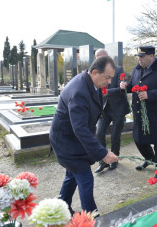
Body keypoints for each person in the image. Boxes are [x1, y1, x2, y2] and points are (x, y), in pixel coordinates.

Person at [49, 55, 118, 214]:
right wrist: (103, 154)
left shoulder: (91, 83)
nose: (109, 82)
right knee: (85, 178)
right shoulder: (80, 91)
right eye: (107, 77)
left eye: (111, 78)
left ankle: (62, 206)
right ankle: (91, 218)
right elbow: (80, 129)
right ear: (94, 72)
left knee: (72, 175)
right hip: (66, 141)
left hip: (73, 138)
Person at [120, 46, 157, 182]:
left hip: (155, 113)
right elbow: (133, 85)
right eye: (138, 56)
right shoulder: (137, 69)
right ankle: (149, 159)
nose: (139, 59)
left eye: (142, 56)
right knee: (138, 138)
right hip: (140, 112)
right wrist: (126, 86)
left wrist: (149, 94)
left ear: (151, 56)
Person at [94, 49, 130, 173]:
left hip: (118, 108)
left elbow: (121, 88)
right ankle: (103, 160)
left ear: (107, 57)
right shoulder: (96, 72)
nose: (98, 59)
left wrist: (108, 92)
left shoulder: (119, 69)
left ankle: (114, 159)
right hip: (104, 109)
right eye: (96, 57)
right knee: (99, 133)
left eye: (100, 57)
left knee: (115, 135)